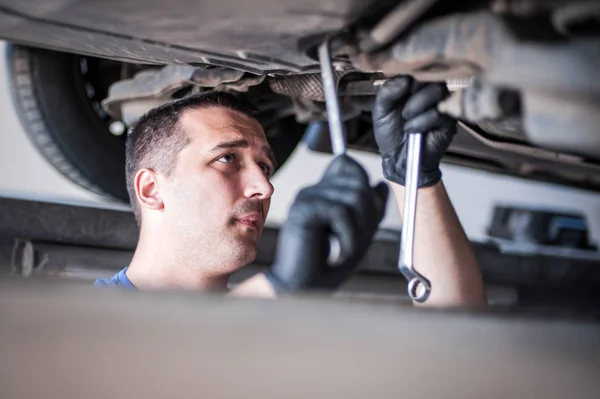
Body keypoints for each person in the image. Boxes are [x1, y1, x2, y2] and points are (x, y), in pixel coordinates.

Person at [95, 75, 485, 306]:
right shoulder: (88, 321)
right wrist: (280, 289)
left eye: (265, 166)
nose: (264, 186)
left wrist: (413, 175)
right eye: (227, 159)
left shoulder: (278, 327)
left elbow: (459, 336)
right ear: (151, 189)